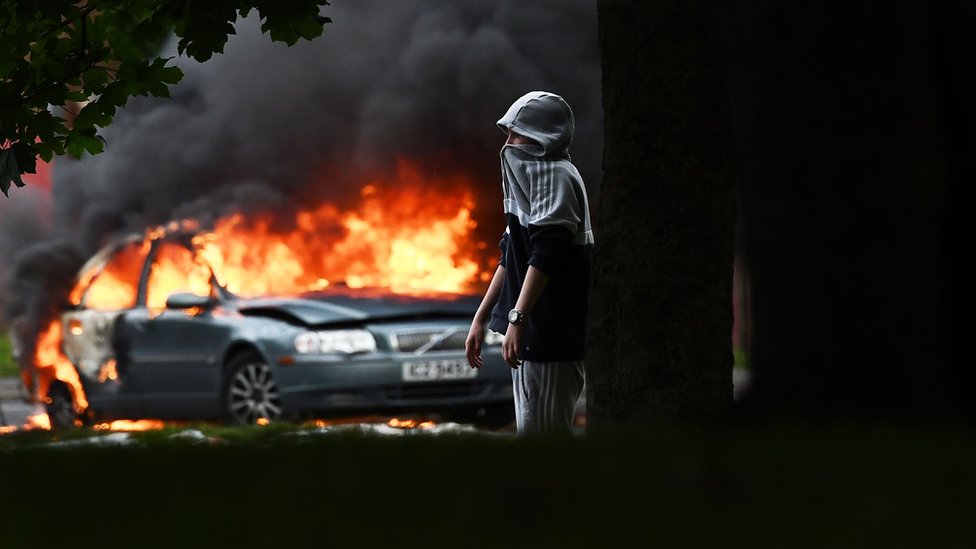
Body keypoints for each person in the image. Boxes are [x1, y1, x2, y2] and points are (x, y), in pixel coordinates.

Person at [465, 91, 594, 435]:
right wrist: (481, 318)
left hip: (551, 335)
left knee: (546, 444)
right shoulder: (530, 181)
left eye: (516, 133)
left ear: (541, 138)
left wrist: (517, 319)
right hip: (528, 335)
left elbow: (546, 254)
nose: (508, 144)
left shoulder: (557, 178)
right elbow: (511, 253)